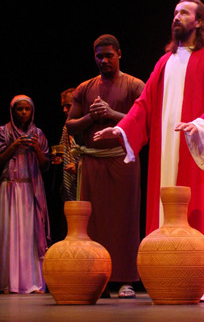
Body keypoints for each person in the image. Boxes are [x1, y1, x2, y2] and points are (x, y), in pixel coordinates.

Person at [93, 0, 204, 301]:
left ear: (199, 21)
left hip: (194, 146)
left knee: (197, 210)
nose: (176, 18)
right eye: (174, 13)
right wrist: (121, 129)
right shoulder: (165, 61)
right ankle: (166, 275)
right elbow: (144, 104)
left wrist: (200, 124)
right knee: (164, 204)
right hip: (165, 150)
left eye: (184, 13)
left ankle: (200, 279)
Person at [66, 34, 145, 298]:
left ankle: (125, 280)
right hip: (92, 162)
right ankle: (97, 278)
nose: (104, 60)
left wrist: (112, 115)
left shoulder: (134, 85)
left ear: (119, 54)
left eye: (109, 55)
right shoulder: (85, 87)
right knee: (93, 223)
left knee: (125, 220)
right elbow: (71, 125)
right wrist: (92, 115)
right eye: (99, 56)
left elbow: (146, 120)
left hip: (122, 161)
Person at [0, 95, 50, 294]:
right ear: (12, 111)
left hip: (30, 190)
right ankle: (9, 282)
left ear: (32, 111)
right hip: (10, 188)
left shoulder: (38, 134)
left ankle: (33, 282)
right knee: (10, 235)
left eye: (26, 109)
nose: (23, 113)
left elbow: (45, 165)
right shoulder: (3, 132)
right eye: (19, 109)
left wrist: (36, 148)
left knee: (30, 235)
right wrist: (14, 146)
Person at [49, 88, 80, 243]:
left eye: (68, 105)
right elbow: (62, 151)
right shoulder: (66, 128)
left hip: (85, 185)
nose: (64, 109)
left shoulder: (86, 126)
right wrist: (56, 158)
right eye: (63, 106)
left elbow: (94, 154)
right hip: (69, 187)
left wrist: (79, 166)